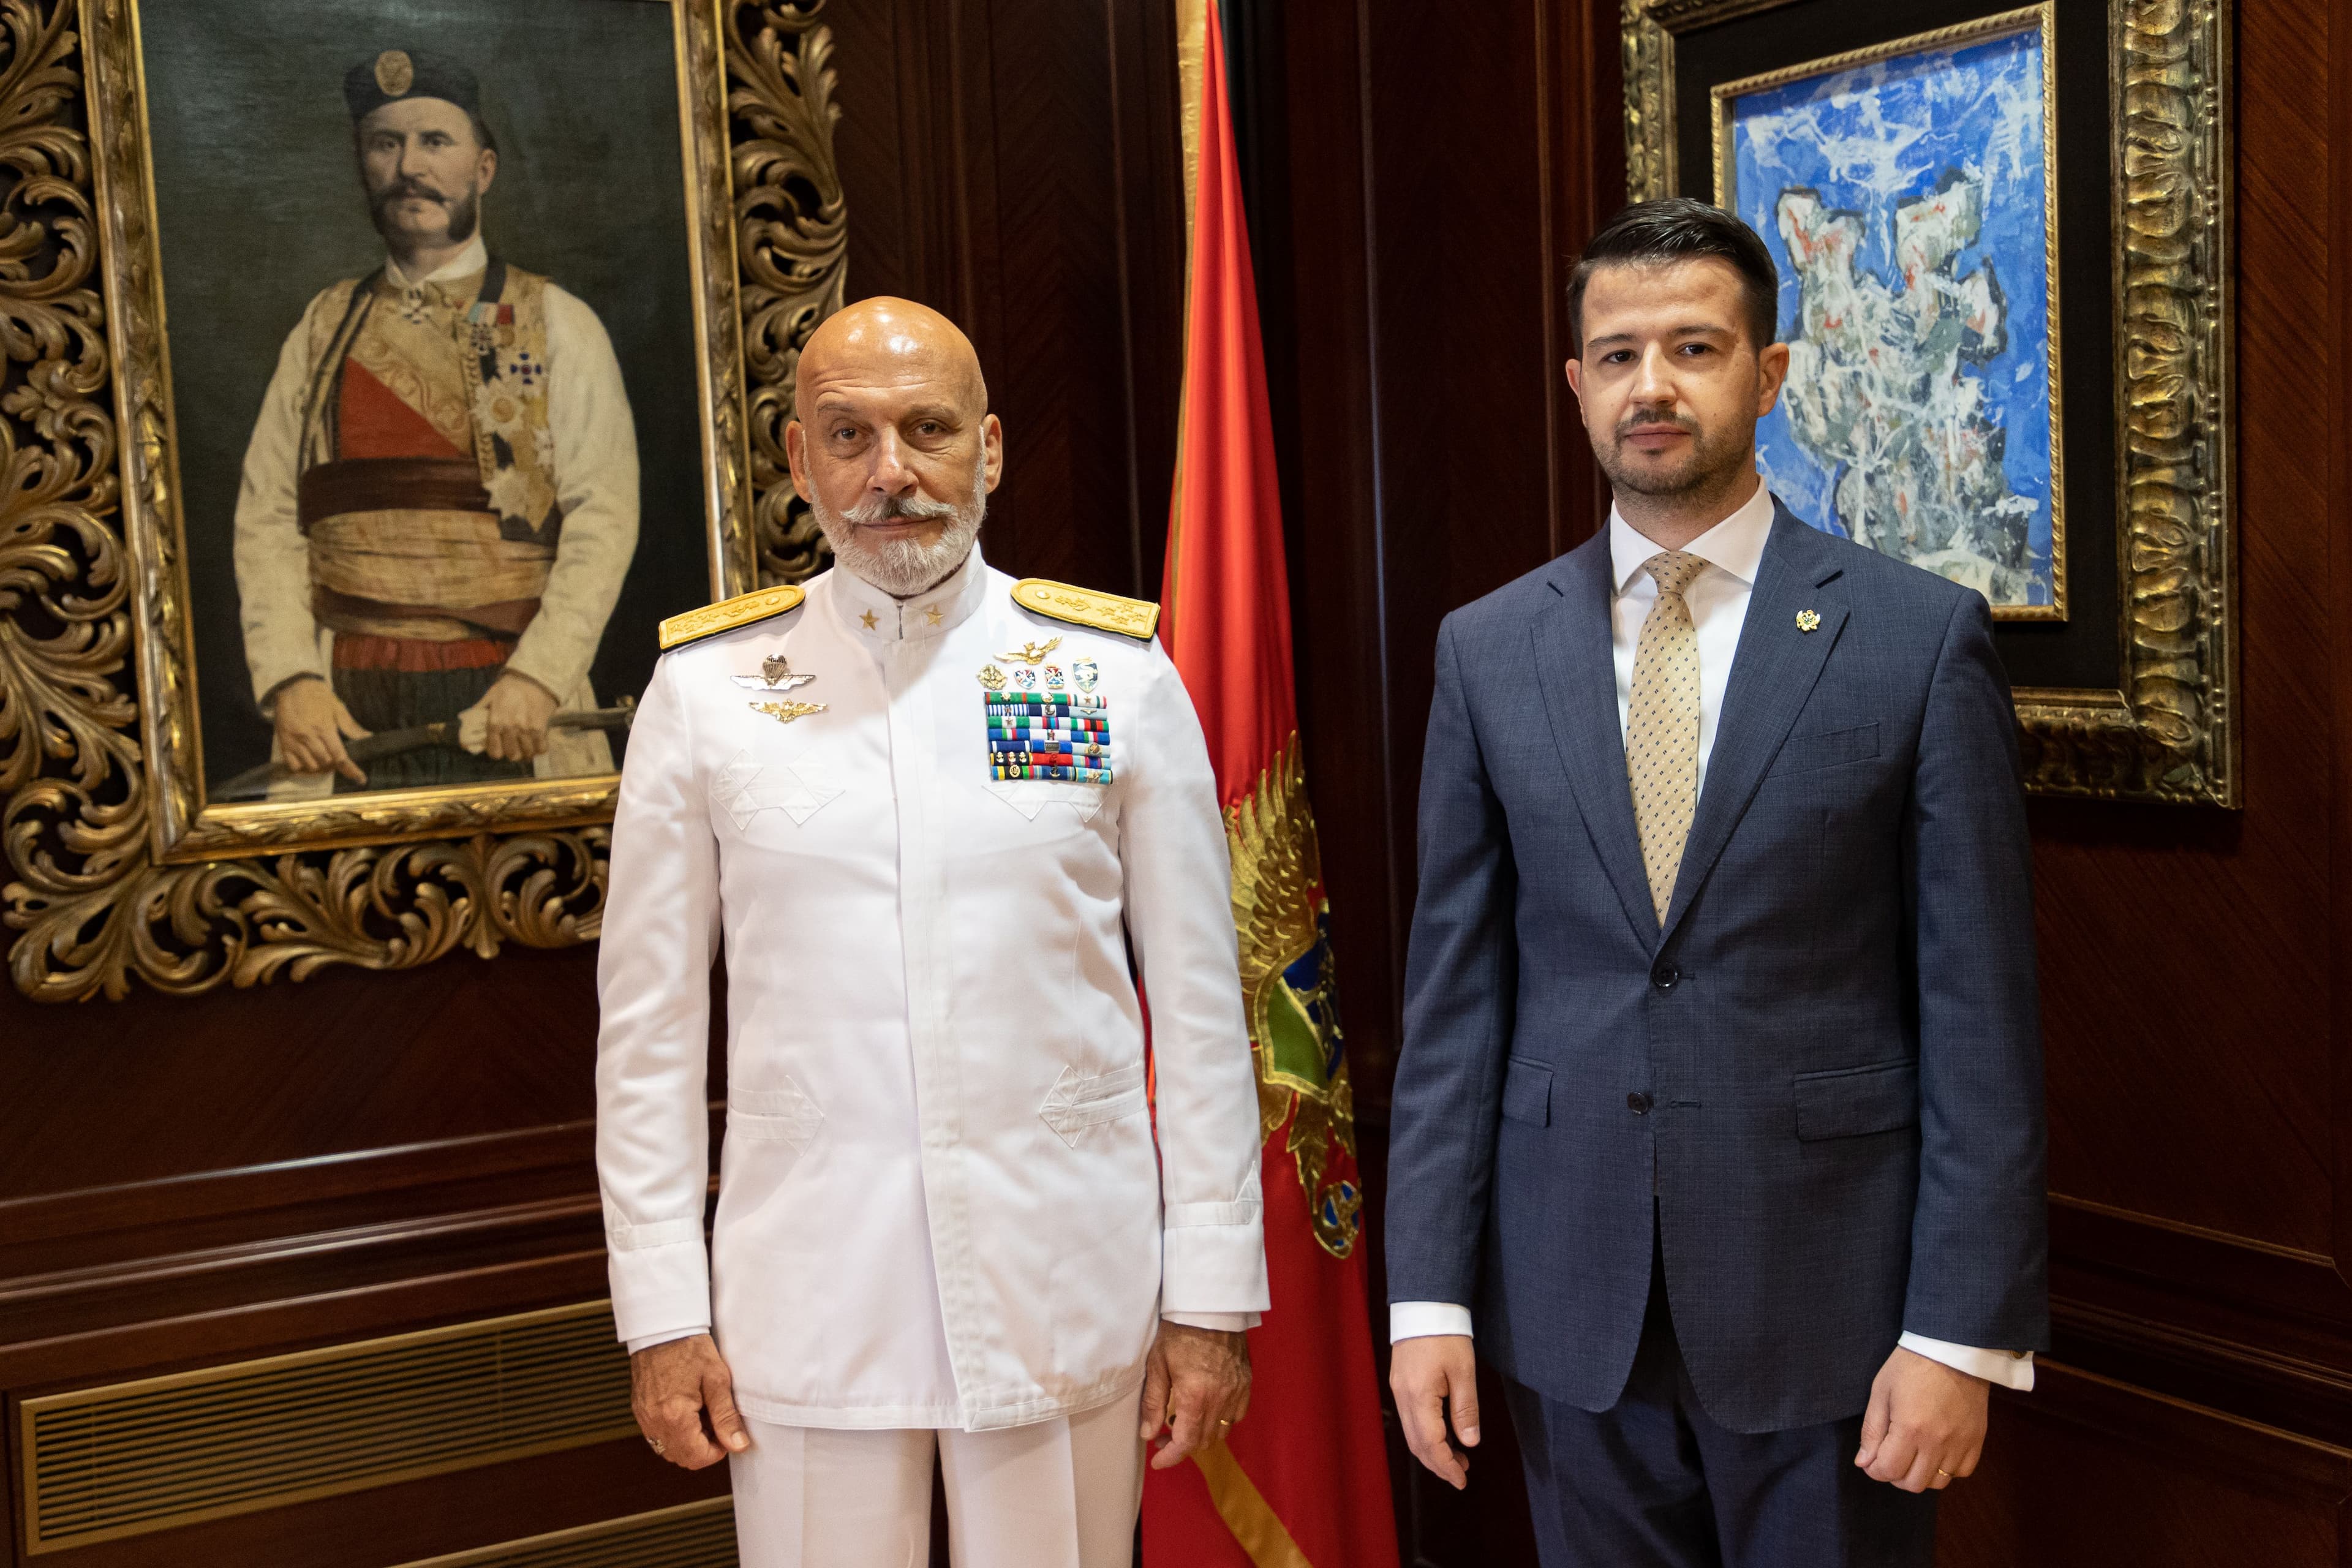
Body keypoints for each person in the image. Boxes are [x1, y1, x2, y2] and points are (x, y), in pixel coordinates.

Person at [1383, 198, 2046, 1566]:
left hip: (1836, 1322)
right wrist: (1428, 1301)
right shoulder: (1487, 649)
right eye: (1618, 355)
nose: (1653, 387)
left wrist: (1958, 1332)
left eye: (1694, 347)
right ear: (1577, 385)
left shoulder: (1916, 641)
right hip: (1569, 1314)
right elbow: (1453, 1009)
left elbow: (1981, 1018)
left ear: (1771, 371)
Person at [594, 297, 1267, 1567]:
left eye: (928, 429)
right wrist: (662, 1309)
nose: (888, 473)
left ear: (989, 449)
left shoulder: (1107, 673)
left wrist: (1212, 1296)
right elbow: (648, 1038)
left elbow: (1198, 1008)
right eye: (847, 435)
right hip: (809, 1293)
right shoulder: (707, 692)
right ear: (799, 461)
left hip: (1062, 1275)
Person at [233, 48, 638, 794]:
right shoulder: (321, 328)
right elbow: (269, 516)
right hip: (343, 703)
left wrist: (540, 678)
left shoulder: (556, 321)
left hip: (510, 700)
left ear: (483, 169)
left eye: (434, 142)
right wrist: (291, 680)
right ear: (362, 165)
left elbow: (602, 518)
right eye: (385, 144)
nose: (409, 166)